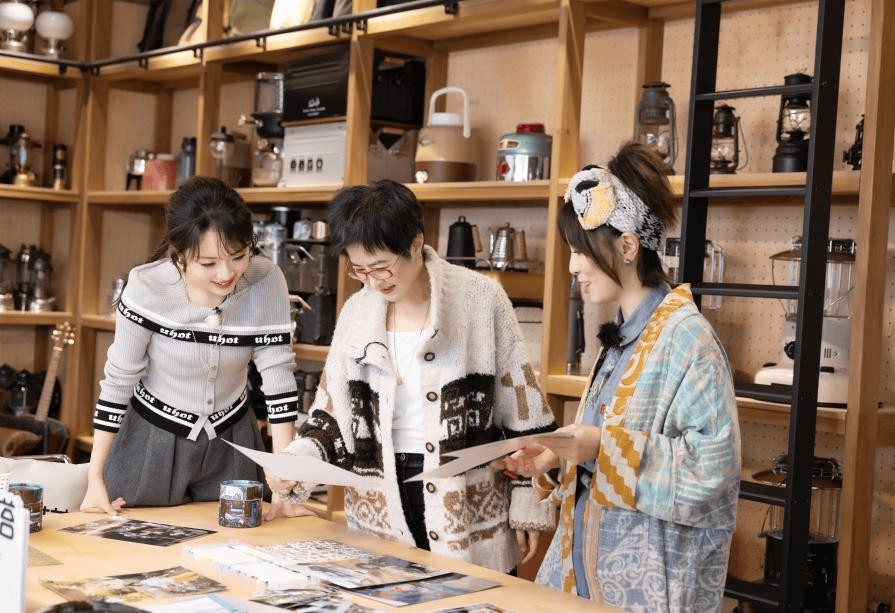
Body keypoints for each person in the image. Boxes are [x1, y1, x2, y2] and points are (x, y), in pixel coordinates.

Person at [494, 142, 741, 612]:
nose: (572, 266)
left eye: (580, 251)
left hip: (650, 593)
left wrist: (600, 448)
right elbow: (604, 450)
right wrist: (556, 456)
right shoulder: (622, 337)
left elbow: (713, 473)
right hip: (587, 583)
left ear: (627, 246)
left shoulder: (688, 340)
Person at [265, 179, 557, 573]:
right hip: (381, 500)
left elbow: (525, 409)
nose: (374, 280)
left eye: (382, 266)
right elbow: (331, 417)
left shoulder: (480, 300)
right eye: (360, 270)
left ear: (416, 243)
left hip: (465, 500)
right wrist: (296, 462)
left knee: (471, 595)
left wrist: (528, 498)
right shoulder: (356, 313)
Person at [80, 176, 301, 514]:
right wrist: (95, 477)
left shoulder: (266, 281)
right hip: (150, 439)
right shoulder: (146, 287)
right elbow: (118, 380)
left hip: (234, 439)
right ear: (179, 252)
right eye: (208, 263)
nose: (226, 273)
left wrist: (284, 478)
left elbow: (278, 377)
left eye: (239, 256)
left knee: (239, 539)